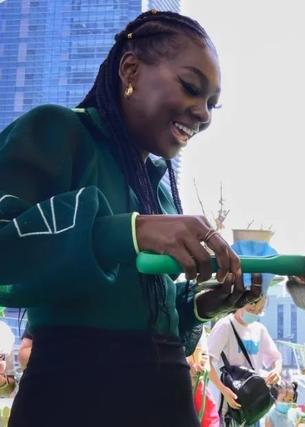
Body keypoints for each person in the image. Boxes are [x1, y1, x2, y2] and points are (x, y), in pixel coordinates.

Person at [0, 10, 260, 427]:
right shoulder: (55, 132)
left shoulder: (159, 191)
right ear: (130, 69)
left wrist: (201, 304)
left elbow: (142, 315)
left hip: (168, 402)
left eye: (212, 104)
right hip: (74, 398)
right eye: (192, 88)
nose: (204, 114)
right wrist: (131, 231)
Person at [208, 288, 282, 426]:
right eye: (251, 309)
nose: (255, 314)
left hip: (253, 405)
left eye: (260, 311)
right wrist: (224, 390)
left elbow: (275, 358)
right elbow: (208, 362)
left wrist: (276, 370)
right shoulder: (225, 326)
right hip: (229, 407)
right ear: (240, 302)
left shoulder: (259, 329)